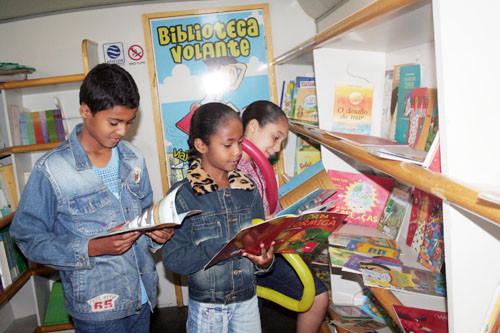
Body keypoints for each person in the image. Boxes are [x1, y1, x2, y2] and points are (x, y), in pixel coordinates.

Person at [10, 63, 174, 333]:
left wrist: (156, 231)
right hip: (98, 308)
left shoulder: (133, 157)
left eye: (129, 122)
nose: (122, 131)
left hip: (143, 296)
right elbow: (28, 237)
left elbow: (144, 214)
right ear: (85, 110)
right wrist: (92, 247)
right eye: (114, 122)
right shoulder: (52, 169)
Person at [161, 102, 275, 333]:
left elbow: (259, 243)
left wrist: (265, 262)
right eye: (227, 144)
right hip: (208, 307)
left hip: (247, 301)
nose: (237, 152)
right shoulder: (182, 196)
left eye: (240, 142)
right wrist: (219, 248)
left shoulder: (248, 189)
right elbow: (173, 258)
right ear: (201, 145)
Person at [238, 100, 330, 333]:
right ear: (252, 128)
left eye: (282, 141)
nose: (278, 148)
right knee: (317, 298)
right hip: (248, 257)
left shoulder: (258, 166)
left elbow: (273, 209)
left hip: (265, 252)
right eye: (275, 137)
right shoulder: (234, 164)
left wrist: (305, 212)